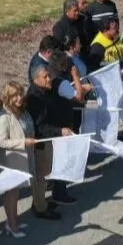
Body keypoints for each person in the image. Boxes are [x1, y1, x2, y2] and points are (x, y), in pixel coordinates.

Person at [0, 81, 46, 232]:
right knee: (11, 193)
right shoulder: (3, 116)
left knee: (16, 192)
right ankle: (11, 224)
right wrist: (24, 142)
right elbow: (2, 142)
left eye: (20, 94)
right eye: (14, 96)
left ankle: (14, 220)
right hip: (12, 159)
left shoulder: (22, 110)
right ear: (7, 97)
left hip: (24, 155)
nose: (19, 98)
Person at [27, 65, 77, 211]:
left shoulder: (45, 91)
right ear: (36, 79)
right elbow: (41, 126)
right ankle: (40, 207)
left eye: (49, 75)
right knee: (42, 175)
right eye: (45, 77)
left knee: (50, 171)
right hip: (43, 142)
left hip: (52, 137)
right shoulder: (35, 98)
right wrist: (60, 131)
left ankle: (45, 201)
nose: (49, 79)